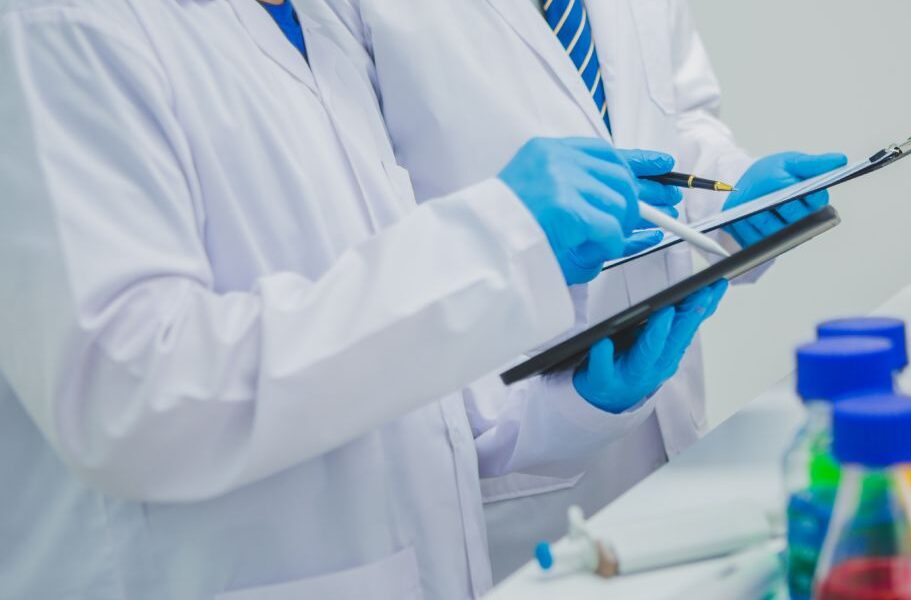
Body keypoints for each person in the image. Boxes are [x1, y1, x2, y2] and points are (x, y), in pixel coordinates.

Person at [0, 0, 724, 598]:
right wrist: (499, 240)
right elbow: (130, 394)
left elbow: (368, 346)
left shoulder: (316, 28)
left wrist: (558, 412)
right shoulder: (58, 26)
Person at [301, 0, 849, 577]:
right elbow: (359, 231)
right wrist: (557, 404)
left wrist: (730, 199)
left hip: (673, 445)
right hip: (510, 481)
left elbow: (677, 115)